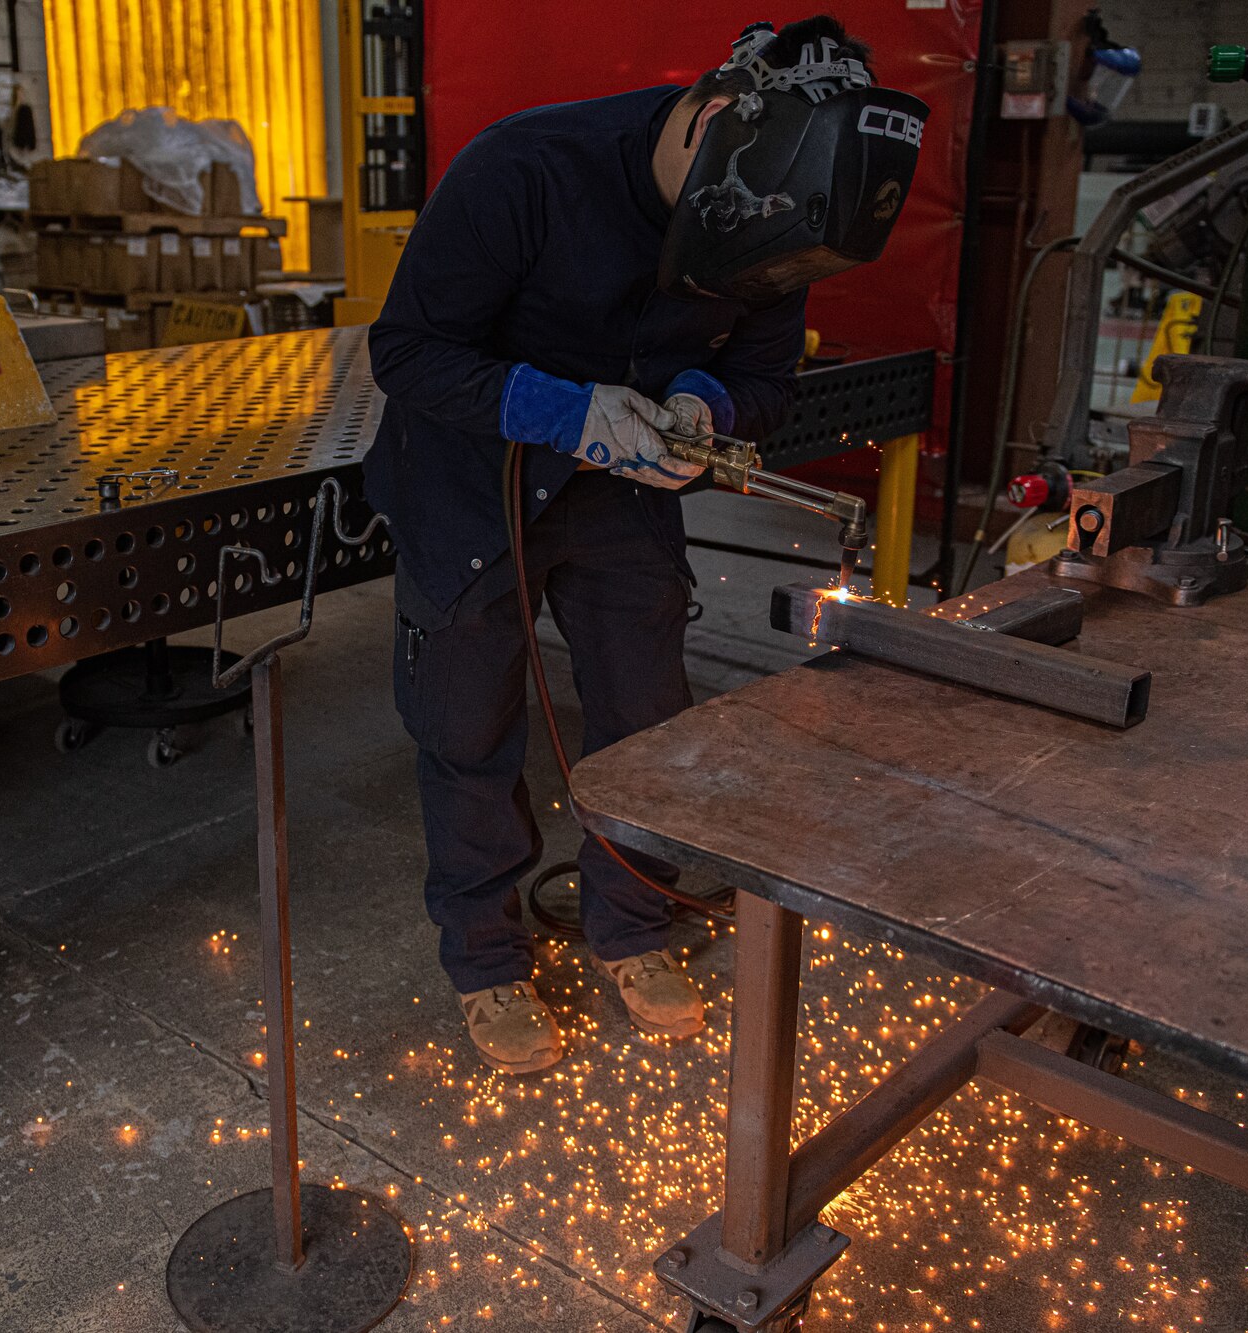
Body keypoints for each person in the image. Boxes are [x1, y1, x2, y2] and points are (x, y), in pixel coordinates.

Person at [366, 17, 883, 1073]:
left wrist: (702, 405)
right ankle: (484, 956)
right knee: (467, 732)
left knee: (647, 724)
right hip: (470, 486)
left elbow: (763, 377)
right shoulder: (524, 168)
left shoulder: (781, 212)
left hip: (623, 490)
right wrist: (559, 408)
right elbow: (406, 351)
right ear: (710, 119)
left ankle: (633, 925)